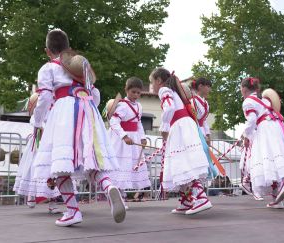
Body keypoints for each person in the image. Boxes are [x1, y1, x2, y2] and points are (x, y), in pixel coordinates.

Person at [32, 29, 125, 226]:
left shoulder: (48, 68)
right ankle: (108, 187)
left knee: (59, 166)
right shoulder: (80, 67)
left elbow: (46, 97)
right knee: (90, 158)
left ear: (47, 50)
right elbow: (96, 95)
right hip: (88, 109)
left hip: (65, 111)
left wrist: (37, 120)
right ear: (68, 48)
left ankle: (73, 211)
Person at [149, 67, 212, 215]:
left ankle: (200, 198)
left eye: (152, 82)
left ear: (158, 81)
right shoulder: (176, 91)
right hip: (185, 125)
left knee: (184, 163)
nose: (152, 86)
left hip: (179, 126)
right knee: (181, 163)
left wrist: (164, 127)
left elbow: (169, 108)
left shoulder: (164, 90)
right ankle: (187, 200)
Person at [240, 77, 284, 209]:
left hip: (265, 128)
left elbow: (252, 120)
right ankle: (277, 199)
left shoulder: (248, 101)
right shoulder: (263, 99)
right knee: (274, 159)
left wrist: (246, 136)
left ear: (244, 89)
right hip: (277, 126)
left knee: (268, 159)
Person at [13, 92, 61, 213]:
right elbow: (38, 125)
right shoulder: (36, 115)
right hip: (37, 146)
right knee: (33, 170)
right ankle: (31, 195)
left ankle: (53, 202)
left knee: (52, 172)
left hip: (51, 146)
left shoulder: (53, 113)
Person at [108, 77, 151, 209]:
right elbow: (113, 122)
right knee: (120, 167)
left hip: (134, 140)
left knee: (128, 168)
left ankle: (122, 197)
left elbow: (138, 123)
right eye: (133, 92)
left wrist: (143, 137)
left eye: (138, 93)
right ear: (126, 90)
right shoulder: (121, 105)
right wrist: (124, 136)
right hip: (121, 142)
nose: (136, 95)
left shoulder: (139, 106)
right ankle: (117, 197)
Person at [190, 77, 212, 144]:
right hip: (194, 131)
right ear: (200, 86)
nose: (210, 89)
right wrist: (203, 135)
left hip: (202, 132)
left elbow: (204, 120)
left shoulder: (206, 103)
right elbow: (194, 120)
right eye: (208, 86)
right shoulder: (193, 101)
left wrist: (208, 135)